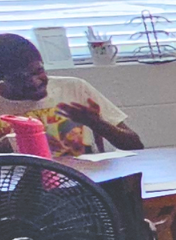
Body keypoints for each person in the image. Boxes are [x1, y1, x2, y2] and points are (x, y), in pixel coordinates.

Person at [0, 33, 143, 155]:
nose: (35, 82)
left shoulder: (74, 87)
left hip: (86, 177)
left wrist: (97, 123)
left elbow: (135, 145)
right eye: (21, 78)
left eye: (39, 71)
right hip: (23, 179)